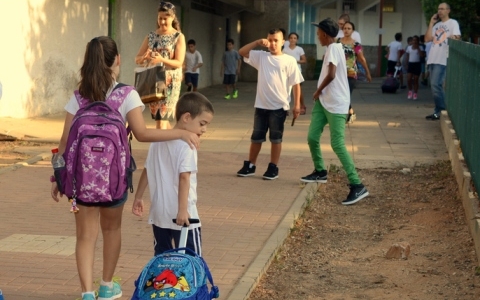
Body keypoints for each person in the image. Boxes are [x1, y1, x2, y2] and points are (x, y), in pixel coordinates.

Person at [51, 36, 200, 300]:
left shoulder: (79, 96)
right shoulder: (126, 94)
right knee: (111, 230)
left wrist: (57, 177)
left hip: (81, 181)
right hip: (113, 179)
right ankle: (107, 285)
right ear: (117, 60)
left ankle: (87, 293)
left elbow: (64, 141)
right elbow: (142, 134)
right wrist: (179, 132)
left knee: (85, 236)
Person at [132, 92, 214, 256]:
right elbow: (184, 177)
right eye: (202, 123)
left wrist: (138, 197)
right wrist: (182, 210)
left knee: (162, 260)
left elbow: (148, 169)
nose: (204, 129)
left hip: (160, 214)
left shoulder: (158, 140)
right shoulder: (188, 145)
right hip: (183, 217)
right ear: (186, 117)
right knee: (192, 263)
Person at [300, 18, 369, 206]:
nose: (317, 36)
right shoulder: (334, 48)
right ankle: (320, 171)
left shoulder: (333, 48)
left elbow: (331, 75)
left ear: (325, 34)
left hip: (337, 103)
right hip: (324, 102)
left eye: (318, 33)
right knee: (313, 137)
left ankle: (357, 185)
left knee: (337, 144)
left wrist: (317, 90)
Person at [236, 28, 304, 180]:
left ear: (283, 42)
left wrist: (297, 105)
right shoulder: (261, 56)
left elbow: (296, 84)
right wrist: (257, 42)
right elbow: (241, 52)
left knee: (276, 138)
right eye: (270, 40)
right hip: (261, 105)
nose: (272, 44)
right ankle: (250, 165)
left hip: (279, 107)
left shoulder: (289, 60)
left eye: (276, 40)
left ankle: (273, 167)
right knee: (256, 137)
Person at [135, 1, 185, 130]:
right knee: (160, 120)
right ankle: (172, 145)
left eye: (165, 18)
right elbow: (137, 59)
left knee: (161, 121)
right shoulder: (151, 36)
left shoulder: (178, 37)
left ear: (172, 17)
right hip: (153, 82)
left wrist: (162, 59)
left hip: (170, 84)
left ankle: (162, 148)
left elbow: (179, 62)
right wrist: (144, 58)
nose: (162, 22)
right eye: (160, 18)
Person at [424, 2, 461, 120]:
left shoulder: (453, 23)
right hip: (433, 59)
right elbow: (427, 39)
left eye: (442, 9)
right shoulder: (436, 25)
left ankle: (441, 110)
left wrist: (453, 37)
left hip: (442, 59)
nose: (439, 11)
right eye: (438, 9)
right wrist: (431, 23)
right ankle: (438, 110)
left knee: (436, 85)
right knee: (434, 86)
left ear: (448, 11)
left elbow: (457, 36)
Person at [337, 21, 372, 124]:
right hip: (338, 73)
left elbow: (361, 59)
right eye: (345, 28)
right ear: (342, 30)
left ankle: (347, 114)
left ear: (352, 30)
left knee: (346, 95)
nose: (346, 30)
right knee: (339, 94)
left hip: (351, 73)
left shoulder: (356, 44)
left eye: (349, 28)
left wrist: (367, 72)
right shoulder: (337, 42)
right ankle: (350, 112)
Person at [283, 32, 307, 115]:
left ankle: (302, 105)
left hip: (297, 71)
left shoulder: (299, 49)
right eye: (291, 38)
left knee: (298, 89)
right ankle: (286, 107)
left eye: (295, 38)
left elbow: (304, 60)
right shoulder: (285, 50)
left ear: (297, 40)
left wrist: (295, 61)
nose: (293, 39)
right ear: (288, 39)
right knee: (286, 89)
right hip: (286, 72)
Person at [405, 35, 425, 100]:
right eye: (413, 40)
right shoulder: (409, 47)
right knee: (409, 79)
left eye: (416, 40)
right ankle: (410, 90)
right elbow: (407, 56)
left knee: (416, 79)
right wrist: (407, 64)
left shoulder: (420, 47)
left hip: (417, 64)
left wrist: (418, 48)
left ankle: (415, 93)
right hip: (410, 64)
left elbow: (422, 55)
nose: (414, 41)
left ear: (418, 41)